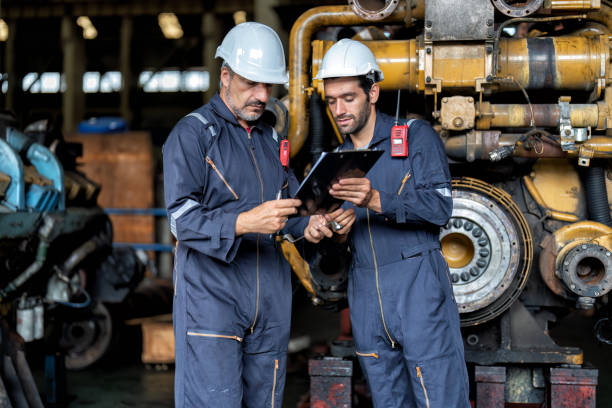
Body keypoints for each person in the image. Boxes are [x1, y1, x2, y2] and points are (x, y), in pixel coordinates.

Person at [304, 38, 470, 407]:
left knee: (439, 397)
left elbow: (440, 208)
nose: (339, 109)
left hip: (417, 286)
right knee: (387, 400)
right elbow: (332, 245)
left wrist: (376, 199)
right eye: (332, 101)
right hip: (365, 293)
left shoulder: (415, 137)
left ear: (373, 92)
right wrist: (333, 231)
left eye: (349, 98)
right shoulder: (335, 162)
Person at [163, 22, 306, 407]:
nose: (262, 96)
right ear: (225, 76)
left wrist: (316, 224)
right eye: (251, 84)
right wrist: (244, 222)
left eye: (268, 86)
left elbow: (287, 208)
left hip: (270, 301)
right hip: (213, 300)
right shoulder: (192, 134)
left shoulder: (270, 139)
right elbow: (180, 218)